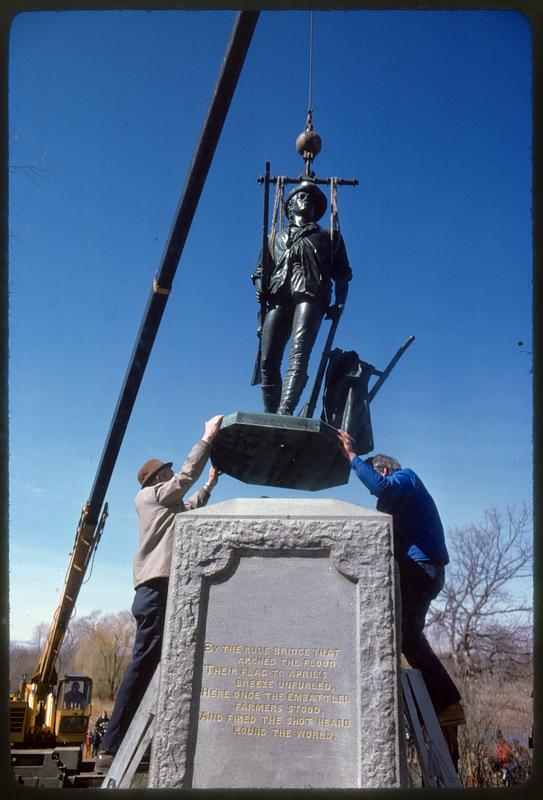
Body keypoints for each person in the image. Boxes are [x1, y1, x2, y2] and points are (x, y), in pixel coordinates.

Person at [96, 415, 223, 772]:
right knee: (143, 665)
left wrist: (210, 484)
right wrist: (206, 439)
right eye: (165, 472)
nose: (170, 475)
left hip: (165, 588)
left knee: (160, 667)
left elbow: (189, 507)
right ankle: (110, 746)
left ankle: (140, 741)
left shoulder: (165, 506)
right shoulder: (148, 498)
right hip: (155, 589)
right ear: (156, 480)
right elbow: (184, 481)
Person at [336, 433, 464, 727]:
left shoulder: (408, 478)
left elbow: (380, 486)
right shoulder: (391, 503)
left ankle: (446, 702)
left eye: (374, 475)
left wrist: (352, 457)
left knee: (402, 632)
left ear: (382, 469)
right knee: (403, 634)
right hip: (417, 569)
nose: (377, 497)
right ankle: (439, 701)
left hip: (422, 568)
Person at [252, 180, 352, 415]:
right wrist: (260, 286)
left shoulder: (329, 236)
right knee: (267, 359)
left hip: (311, 293)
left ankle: (285, 409)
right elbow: (259, 272)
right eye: (300, 196)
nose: (306, 198)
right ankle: (271, 413)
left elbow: (343, 275)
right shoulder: (273, 239)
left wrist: (339, 302)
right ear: (289, 207)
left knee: (299, 353)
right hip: (278, 294)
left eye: (311, 197)